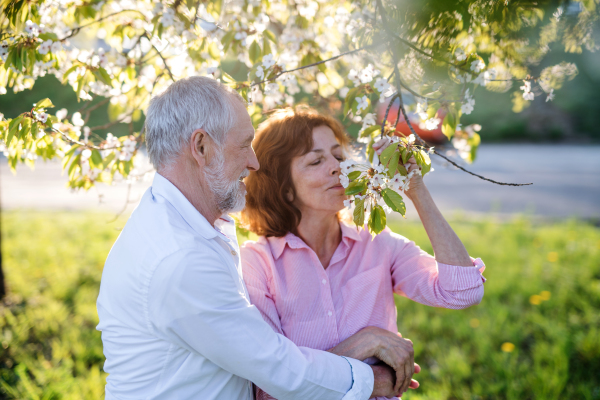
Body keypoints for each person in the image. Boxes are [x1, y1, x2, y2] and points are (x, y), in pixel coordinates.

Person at [96, 77, 408, 400]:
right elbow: (277, 368)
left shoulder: (186, 221)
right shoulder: (180, 258)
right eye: (245, 144)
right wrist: (375, 380)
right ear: (201, 147)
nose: (254, 162)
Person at [240, 107, 487, 400]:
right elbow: (269, 389)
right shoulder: (258, 264)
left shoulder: (376, 243)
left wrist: (416, 190)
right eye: (316, 160)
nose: (338, 167)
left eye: (339, 156)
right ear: (284, 189)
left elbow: (463, 291)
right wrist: (365, 344)